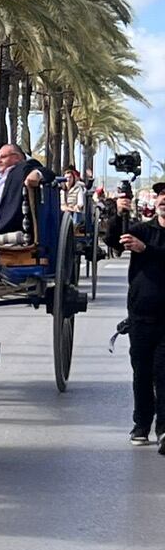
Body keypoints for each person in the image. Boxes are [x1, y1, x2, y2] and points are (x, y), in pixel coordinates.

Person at [106, 191, 165, 449]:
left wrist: (146, 250)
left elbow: (150, 251)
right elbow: (115, 242)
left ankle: (163, 429)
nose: (164, 200)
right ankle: (141, 425)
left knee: (163, 373)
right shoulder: (143, 229)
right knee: (141, 373)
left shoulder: (146, 242)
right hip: (141, 315)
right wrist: (119, 213)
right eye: (161, 195)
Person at [0, 143, 54, 235]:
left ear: (17, 157)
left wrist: (37, 173)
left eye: (3, 157)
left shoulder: (22, 168)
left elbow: (45, 171)